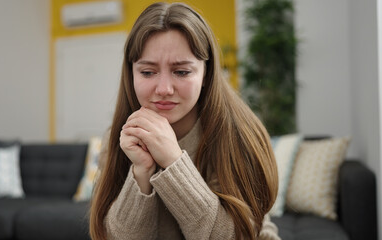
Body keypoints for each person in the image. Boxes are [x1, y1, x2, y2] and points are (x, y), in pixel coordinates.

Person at [89, 2, 280, 240]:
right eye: (148, 72)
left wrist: (173, 161)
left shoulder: (240, 134)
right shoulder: (118, 138)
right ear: (131, 74)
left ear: (205, 74)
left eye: (181, 72)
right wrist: (141, 171)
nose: (164, 89)